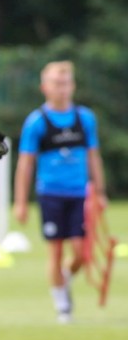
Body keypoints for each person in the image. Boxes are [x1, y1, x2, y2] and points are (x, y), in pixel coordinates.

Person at [13, 60, 107, 323]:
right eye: (56, 83)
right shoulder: (36, 122)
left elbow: (93, 156)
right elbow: (25, 164)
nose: (61, 88)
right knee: (55, 251)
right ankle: (62, 306)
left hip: (80, 194)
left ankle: (62, 279)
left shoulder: (85, 118)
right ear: (45, 87)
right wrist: (20, 202)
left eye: (65, 83)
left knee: (81, 252)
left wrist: (100, 191)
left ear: (72, 86)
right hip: (50, 194)